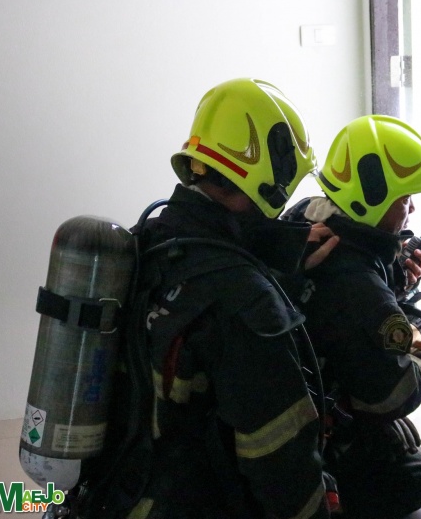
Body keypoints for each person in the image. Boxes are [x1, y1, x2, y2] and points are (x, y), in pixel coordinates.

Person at [83, 78, 340, 519]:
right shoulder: (244, 301)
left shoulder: (146, 241)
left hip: (114, 491)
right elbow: (284, 472)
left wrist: (286, 268)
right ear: (272, 178)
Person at [281, 115, 421, 519]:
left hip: (306, 383)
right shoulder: (358, 284)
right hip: (313, 423)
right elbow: (395, 394)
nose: (412, 208)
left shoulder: (304, 218)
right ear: (373, 199)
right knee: (414, 477)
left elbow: (346, 296)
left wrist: (395, 273)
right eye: (405, 199)